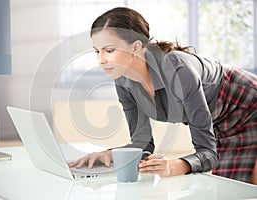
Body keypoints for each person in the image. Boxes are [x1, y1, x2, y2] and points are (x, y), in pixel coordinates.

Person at [69, 7, 257, 184]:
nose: (101, 60)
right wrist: (110, 155)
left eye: (109, 50)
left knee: (245, 189)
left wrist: (172, 166)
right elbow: (144, 144)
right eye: (97, 51)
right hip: (220, 124)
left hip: (250, 104)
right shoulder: (123, 82)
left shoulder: (178, 69)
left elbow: (208, 153)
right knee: (227, 190)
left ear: (135, 47)